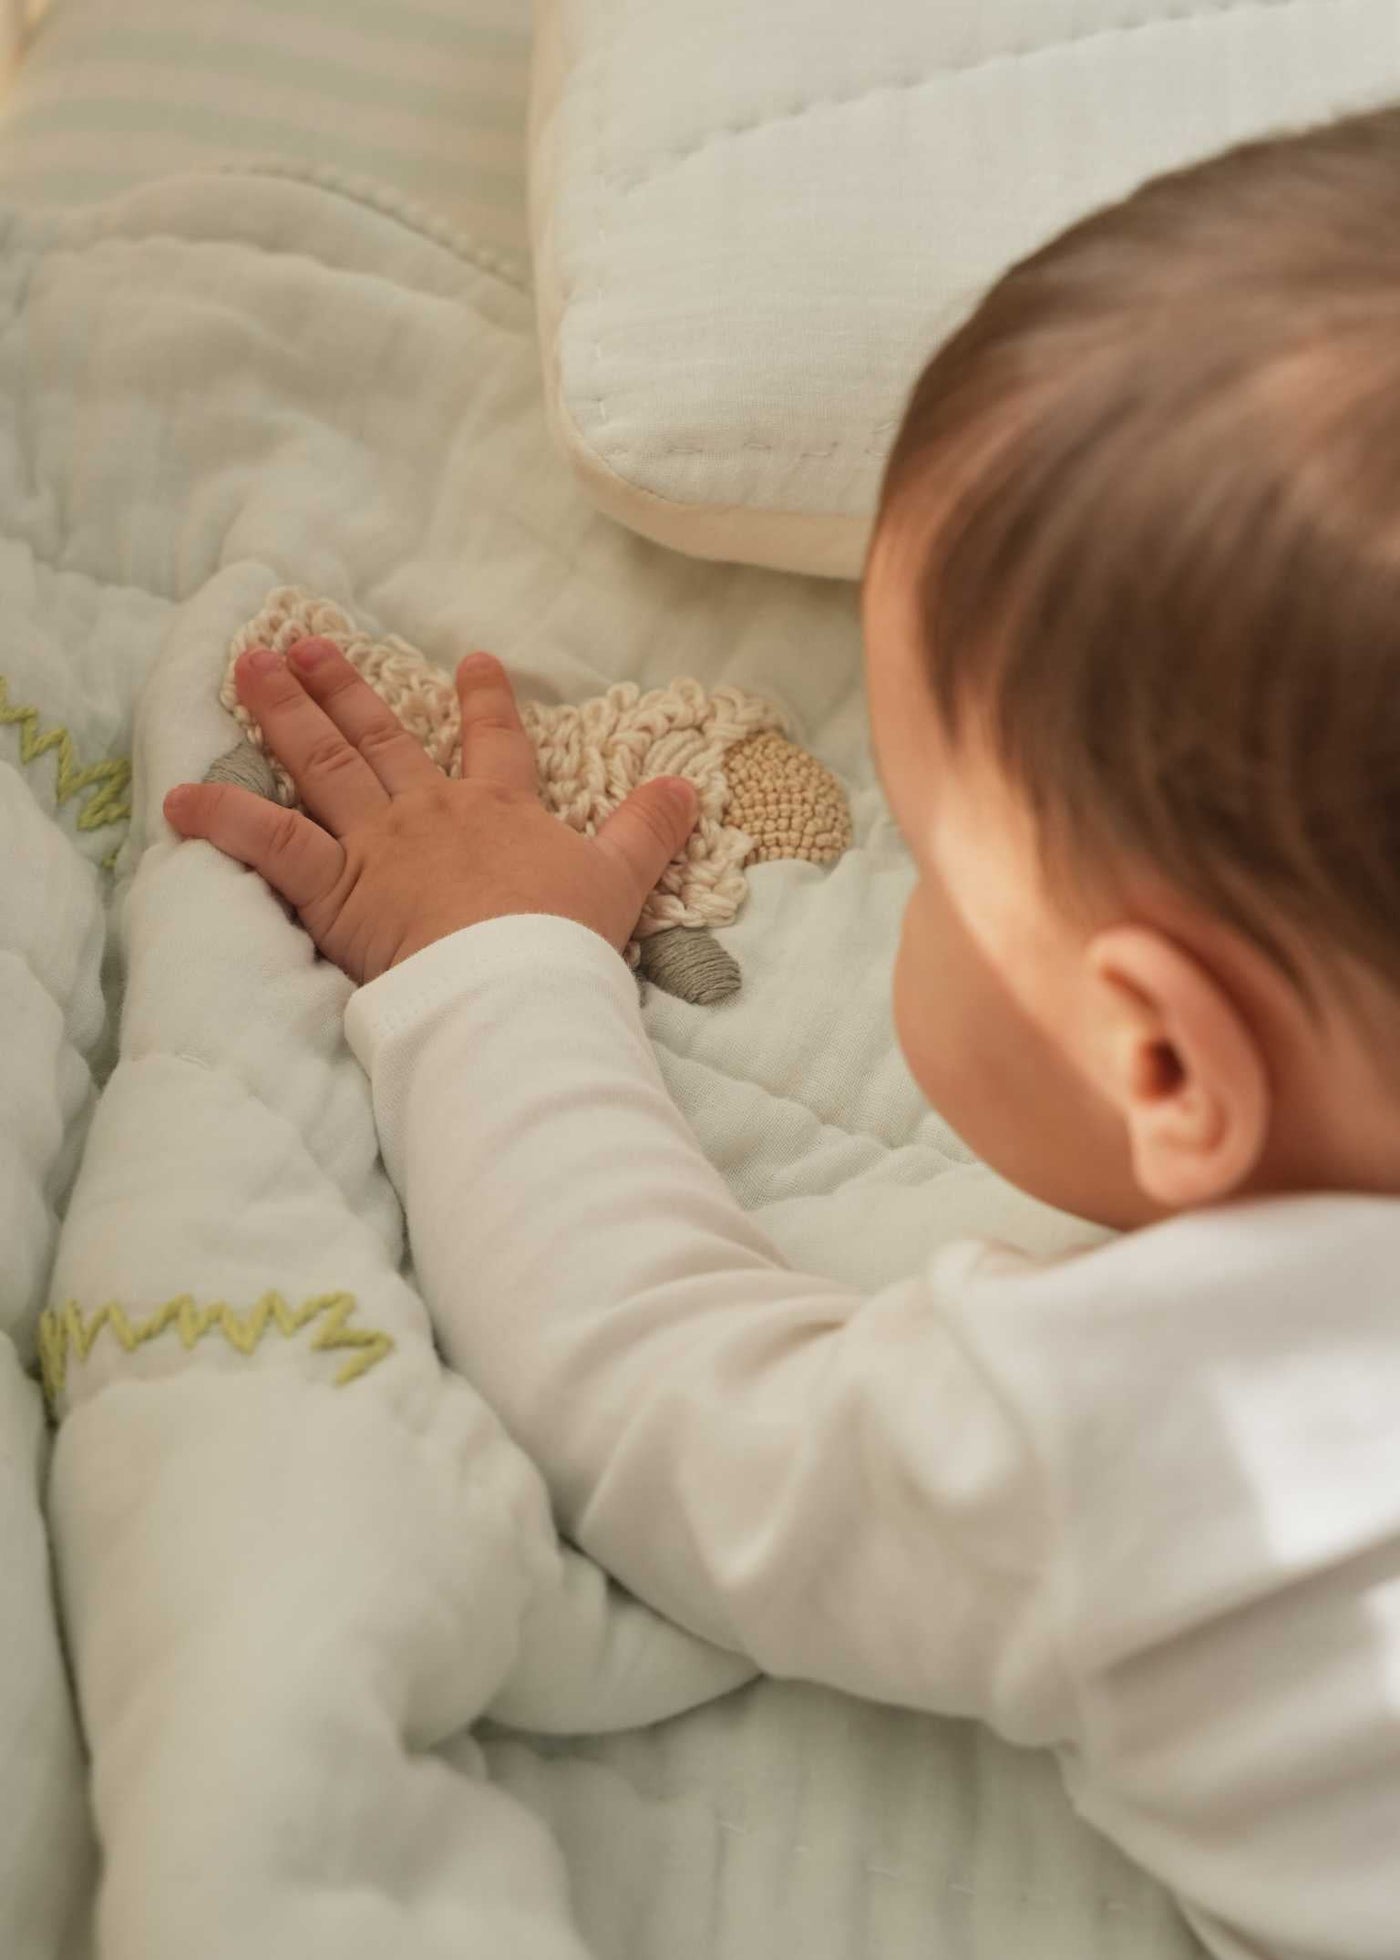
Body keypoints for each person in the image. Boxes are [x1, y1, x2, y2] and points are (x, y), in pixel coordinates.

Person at [163, 106, 1400, 1960]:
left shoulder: (1176, 1433)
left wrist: (492, 956)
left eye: (925, 845)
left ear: (1161, 1066)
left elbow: (661, 1404)